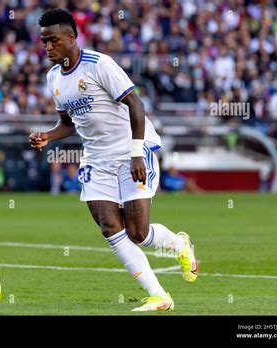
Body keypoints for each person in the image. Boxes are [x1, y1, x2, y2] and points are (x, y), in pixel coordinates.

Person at [29, 9, 198, 312]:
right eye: (44, 43)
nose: (48, 48)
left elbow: (135, 103)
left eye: (53, 41)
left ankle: (179, 244)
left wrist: (135, 153)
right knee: (109, 227)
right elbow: (68, 123)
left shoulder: (99, 65)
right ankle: (159, 296)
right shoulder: (53, 77)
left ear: (71, 37)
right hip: (96, 159)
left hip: (132, 151)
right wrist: (48, 136)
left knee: (138, 233)